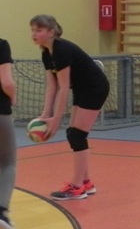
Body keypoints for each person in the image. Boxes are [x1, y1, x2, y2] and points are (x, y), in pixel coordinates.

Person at [30, 15, 110, 201]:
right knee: (74, 134)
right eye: (32, 30)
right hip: (82, 88)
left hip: (94, 88)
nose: (34, 34)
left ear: (51, 32)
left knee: (77, 135)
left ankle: (77, 187)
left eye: (39, 30)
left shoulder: (61, 50)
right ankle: (86, 182)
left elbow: (64, 87)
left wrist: (56, 120)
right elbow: (52, 85)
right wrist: (45, 115)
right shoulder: (46, 52)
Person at [0, 35, 19, 229]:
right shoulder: (1, 44)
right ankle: (1, 213)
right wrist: (13, 97)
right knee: (7, 163)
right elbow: (7, 82)